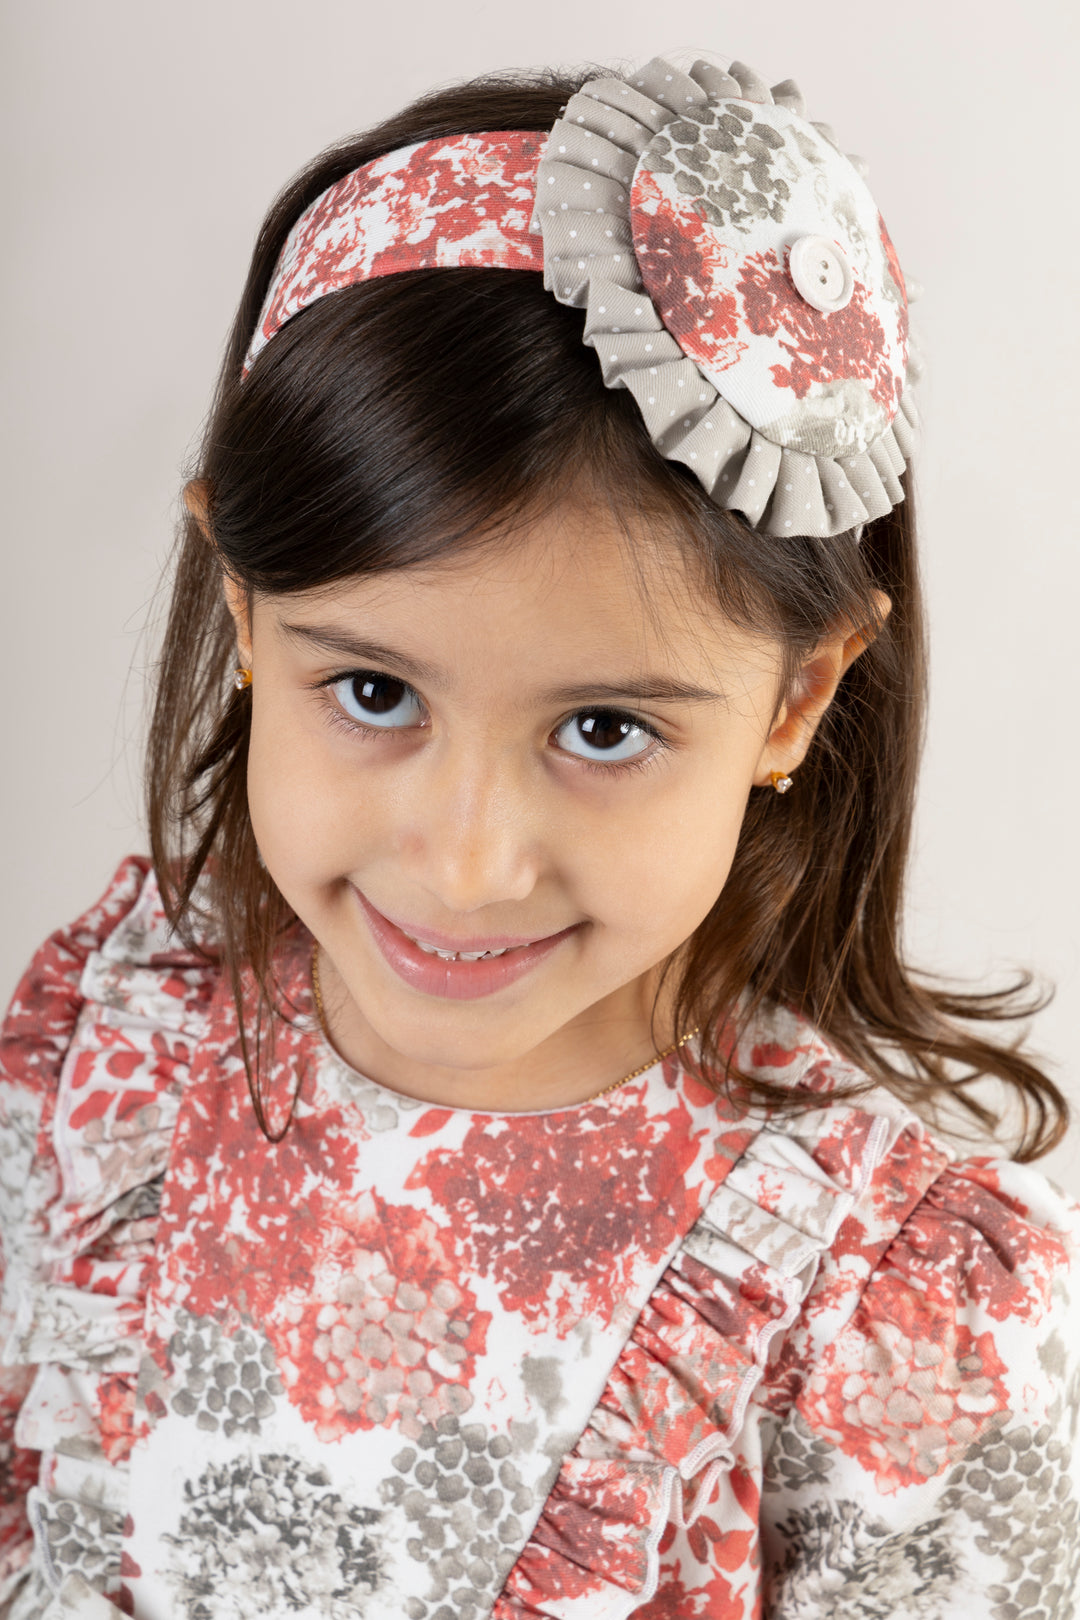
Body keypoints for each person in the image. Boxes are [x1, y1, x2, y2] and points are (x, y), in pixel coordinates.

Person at [0, 49, 1076, 1620]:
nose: (464, 862)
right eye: (372, 690)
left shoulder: (899, 1303)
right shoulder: (112, 1048)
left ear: (794, 701)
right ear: (242, 608)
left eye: (605, 730)